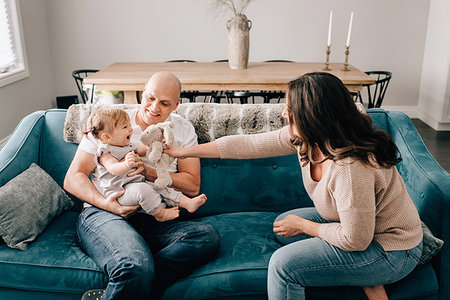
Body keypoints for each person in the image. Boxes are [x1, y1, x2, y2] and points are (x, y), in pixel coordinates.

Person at [164, 72, 423, 300]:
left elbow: (355, 239)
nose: (284, 112)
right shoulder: (308, 139)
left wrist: (304, 226)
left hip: (390, 250)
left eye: (291, 107)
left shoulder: (350, 167)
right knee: (284, 224)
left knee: (283, 265)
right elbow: (247, 145)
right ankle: (364, 278)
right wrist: (182, 152)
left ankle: (369, 274)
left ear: (314, 115)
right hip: (361, 229)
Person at [64, 71, 220, 300]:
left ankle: (127, 284)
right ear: (142, 93)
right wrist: (109, 205)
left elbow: (192, 186)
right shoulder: (111, 122)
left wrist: (147, 171)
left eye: (164, 103)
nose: (154, 107)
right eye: (150, 97)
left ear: (177, 104)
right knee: (135, 265)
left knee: (206, 237)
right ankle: (136, 271)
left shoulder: (182, 129)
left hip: (154, 216)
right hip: (105, 213)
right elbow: (73, 177)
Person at [84, 107, 207, 222]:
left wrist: (157, 146)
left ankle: (187, 203)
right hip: (120, 192)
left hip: (134, 183)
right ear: (107, 137)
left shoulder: (128, 145)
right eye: (125, 127)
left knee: (160, 185)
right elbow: (113, 169)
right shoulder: (105, 152)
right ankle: (160, 214)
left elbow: (143, 149)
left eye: (130, 125)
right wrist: (126, 164)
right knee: (144, 190)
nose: (130, 129)